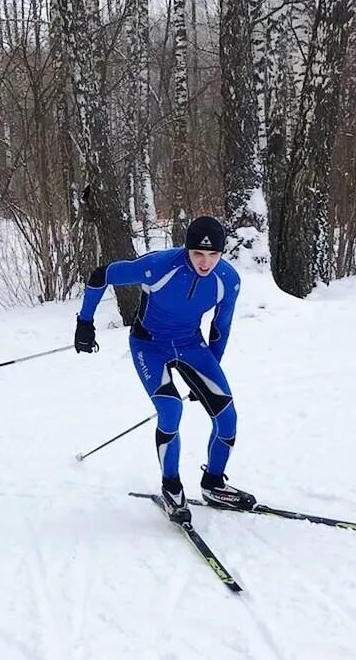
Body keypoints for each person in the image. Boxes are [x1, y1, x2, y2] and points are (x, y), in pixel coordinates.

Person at [73, 216, 251, 523]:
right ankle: (172, 487)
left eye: (213, 255)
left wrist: (208, 374)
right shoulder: (160, 266)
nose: (205, 262)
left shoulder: (228, 280)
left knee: (227, 418)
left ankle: (213, 484)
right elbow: (102, 275)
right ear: (186, 250)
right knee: (170, 411)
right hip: (149, 345)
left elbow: (220, 328)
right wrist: (84, 322)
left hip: (191, 346)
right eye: (198, 254)